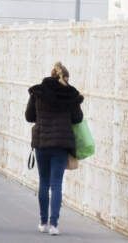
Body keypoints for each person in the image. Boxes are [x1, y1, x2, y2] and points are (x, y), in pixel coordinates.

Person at [25, 62, 84, 236]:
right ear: (65, 78)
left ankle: (43, 222)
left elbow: (29, 116)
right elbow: (77, 119)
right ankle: (54, 225)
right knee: (56, 183)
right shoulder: (70, 94)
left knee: (43, 182)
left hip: (42, 142)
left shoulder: (38, 92)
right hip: (61, 144)